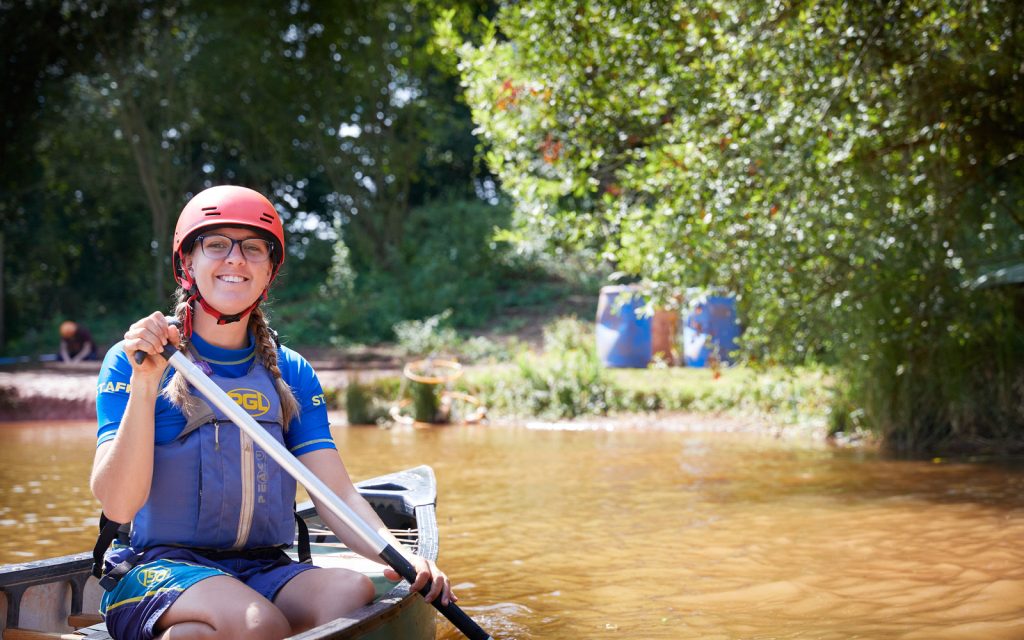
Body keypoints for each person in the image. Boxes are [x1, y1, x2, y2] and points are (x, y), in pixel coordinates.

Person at [91, 185, 455, 640]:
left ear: (270, 270)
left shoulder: (291, 371)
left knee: (350, 591)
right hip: (158, 568)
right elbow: (119, 504)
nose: (236, 259)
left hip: (262, 566)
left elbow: (335, 492)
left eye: (253, 248)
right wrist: (146, 386)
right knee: (257, 623)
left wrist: (400, 560)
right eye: (216, 244)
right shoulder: (135, 360)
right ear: (187, 263)